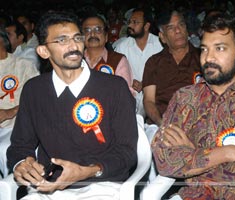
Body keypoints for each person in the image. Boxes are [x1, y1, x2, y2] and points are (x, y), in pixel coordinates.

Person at [151, 14, 235, 199]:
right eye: (204, 49)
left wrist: (193, 155)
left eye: (220, 48)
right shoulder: (184, 98)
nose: (209, 57)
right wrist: (229, 152)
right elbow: (165, 162)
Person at [6, 11, 137, 199]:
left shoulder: (113, 87)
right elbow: (20, 145)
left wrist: (88, 171)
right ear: (43, 51)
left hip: (102, 185)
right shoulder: (34, 90)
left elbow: (127, 152)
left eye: (77, 38)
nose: (73, 45)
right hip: (49, 187)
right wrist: (21, 165)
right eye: (62, 40)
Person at [143, 10, 200, 127]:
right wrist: (162, 124)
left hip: (197, 122)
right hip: (161, 123)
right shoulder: (154, 62)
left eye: (181, 25)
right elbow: (149, 101)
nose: (178, 31)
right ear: (162, 37)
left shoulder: (203, 58)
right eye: (171, 28)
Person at [0, 28, 39, 178]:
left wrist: (9, 112)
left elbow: (37, 99)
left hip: (15, 126)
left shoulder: (23, 65)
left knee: (4, 149)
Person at [114, 7, 163, 117]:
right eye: (130, 22)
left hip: (156, 98)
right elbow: (115, 75)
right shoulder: (122, 46)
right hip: (131, 98)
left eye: (135, 22)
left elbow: (167, 74)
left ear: (146, 26)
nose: (130, 25)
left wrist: (147, 84)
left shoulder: (160, 45)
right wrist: (128, 81)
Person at [82, 14, 134, 95]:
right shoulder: (74, 60)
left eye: (98, 30)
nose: (92, 34)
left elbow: (125, 95)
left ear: (106, 36)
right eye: (87, 30)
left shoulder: (118, 60)